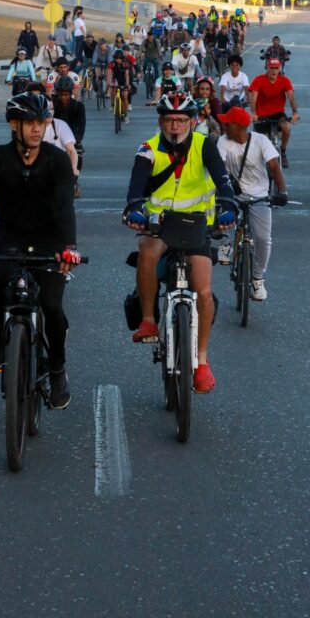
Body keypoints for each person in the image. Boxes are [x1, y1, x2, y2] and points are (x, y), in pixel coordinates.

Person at [0, 91, 81, 408]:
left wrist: (70, 247)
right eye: (29, 123)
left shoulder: (57, 160)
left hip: (51, 240)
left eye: (41, 122)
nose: (37, 129)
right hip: (10, 238)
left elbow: (66, 207)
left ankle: (57, 370)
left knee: (52, 305)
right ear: (14, 124)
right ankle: (0, 347)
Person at [122, 92, 237, 393]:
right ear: (161, 122)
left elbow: (222, 180)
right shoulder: (148, 149)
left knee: (204, 291)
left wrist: (228, 205)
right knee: (147, 254)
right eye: (170, 120)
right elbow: (135, 187)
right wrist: (135, 209)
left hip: (196, 223)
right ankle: (149, 320)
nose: (175, 126)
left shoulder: (204, 145)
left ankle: (202, 362)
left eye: (181, 120)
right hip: (159, 225)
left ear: (193, 121)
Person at [216, 106, 287, 301]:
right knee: (219, 212)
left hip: (259, 196)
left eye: (228, 124)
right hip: (233, 194)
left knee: (263, 239)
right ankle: (225, 243)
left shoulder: (261, 141)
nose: (224, 126)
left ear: (239, 127)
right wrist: (226, 185)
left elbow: (274, 167)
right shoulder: (223, 141)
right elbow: (219, 167)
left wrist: (282, 192)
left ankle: (257, 279)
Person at [248, 57, 300, 168]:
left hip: (278, 114)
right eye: (271, 68)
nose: (274, 71)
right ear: (267, 68)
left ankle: (283, 152)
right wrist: (253, 112)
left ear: (280, 68)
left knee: (287, 127)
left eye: (276, 68)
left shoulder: (284, 81)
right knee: (263, 140)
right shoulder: (259, 79)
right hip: (261, 115)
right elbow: (253, 97)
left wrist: (295, 112)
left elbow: (291, 96)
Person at [107, 48, 133, 121]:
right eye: (116, 58)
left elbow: (127, 75)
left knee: (125, 96)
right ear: (114, 58)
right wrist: (109, 83)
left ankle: (125, 114)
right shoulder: (111, 64)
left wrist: (127, 84)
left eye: (119, 58)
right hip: (115, 80)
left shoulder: (125, 64)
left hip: (123, 80)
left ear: (122, 58)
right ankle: (112, 104)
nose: (118, 60)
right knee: (112, 90)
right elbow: (109, 74)